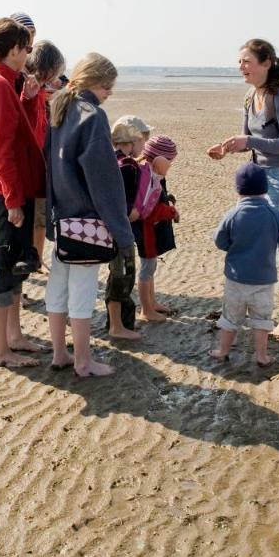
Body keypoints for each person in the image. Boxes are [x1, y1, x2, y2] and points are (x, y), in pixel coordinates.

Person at [44, 53, 135, 377]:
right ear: (96, 82)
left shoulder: (59, 108)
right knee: (82, 292)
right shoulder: (91, 115)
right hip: (88, 219)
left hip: (62, 216)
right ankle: (83, 361)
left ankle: (59, 353)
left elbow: (49, 168)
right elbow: (104, 182)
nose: (109, 92)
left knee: (58, 288)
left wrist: (51, 215)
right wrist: (123, 234)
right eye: (108, 86)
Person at [207, 39, 279, 339]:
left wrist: (249, 142)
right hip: (259, 179)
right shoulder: (251, 96)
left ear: (267, 63)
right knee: (260, 243)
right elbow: (246, 137)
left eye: (247, 61)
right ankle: (262, 310)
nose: (241, 67)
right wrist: (227, 148)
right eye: (240, 62)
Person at [0, 18, 48, 367]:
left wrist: (30, 100)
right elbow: (1, 147)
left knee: (15, 266)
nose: (28, 55)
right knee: (3, 265)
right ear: (14, 49)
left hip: (8, 187)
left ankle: (13, 337)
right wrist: (14, 201)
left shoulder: (5, 83)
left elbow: (21, 134)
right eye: (26, 48)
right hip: (2, 190)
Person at [211, 163, 279, 366]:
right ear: (265, 189)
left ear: (238, 190)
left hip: (235, 279)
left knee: (230, 318)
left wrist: (235, 246)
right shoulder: (275, 215)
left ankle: (223, 350)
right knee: (262, 320)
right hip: (263, 281)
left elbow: (220, 241)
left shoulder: (232, 214)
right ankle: (261, 356)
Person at [24, 40, 67, 274]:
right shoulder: (25, 88)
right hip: (28, 168)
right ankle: (29, 262)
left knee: (40, 217)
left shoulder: (41, 90)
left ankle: (36, 259)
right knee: (21, 223)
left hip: (43, 165)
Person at [105, 119, 145, 340]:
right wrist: (131, 210)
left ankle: (116, 323)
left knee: (117, 274)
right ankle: (118, 326)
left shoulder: (111, 160)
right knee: (122, 275)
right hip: (121, 228)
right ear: (131, 141)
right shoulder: (128, 166)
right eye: (141, 140)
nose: (144, 145)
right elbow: (123, 199)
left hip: (112, 226)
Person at [135, 134, 181, 321]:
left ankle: (151, 302)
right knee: (146, 269)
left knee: (150, 267)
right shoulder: (147, 177)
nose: (170, 165)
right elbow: (151, 210)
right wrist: (171, 212)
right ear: (160, 160)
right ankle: (146, 309)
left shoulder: (152, 174)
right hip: (147, 232)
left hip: (151, 231)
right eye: (169, 161)